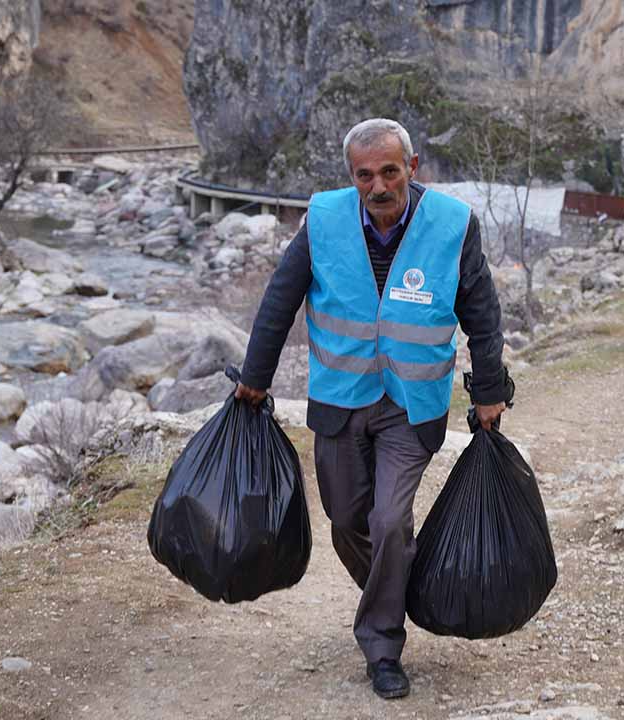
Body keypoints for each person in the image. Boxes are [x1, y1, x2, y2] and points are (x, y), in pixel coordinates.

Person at [234, 118, 511, 700]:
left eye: (390, 171)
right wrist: (255, 381)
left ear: (413, 168)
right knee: (346, 522)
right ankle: (403, 590)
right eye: (366, 175)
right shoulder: (324, 220)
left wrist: (490, 390)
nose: (379, 185)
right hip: (340, 399)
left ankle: (383, 643)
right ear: (351, 177)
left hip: (411, 407)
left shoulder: (453, 225)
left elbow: (482, 314)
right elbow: (279, 301)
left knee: (389, 520)